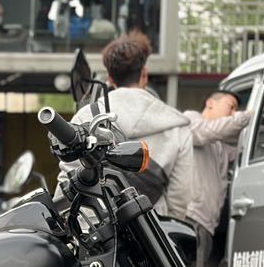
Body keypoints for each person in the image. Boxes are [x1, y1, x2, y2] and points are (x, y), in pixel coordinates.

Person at [68, 31, 194, 221]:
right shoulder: (177, 126)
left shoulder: (86, 116)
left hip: (95, 228)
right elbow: (180, 196)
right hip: (152, 228)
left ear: (110, 78)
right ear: (144, 73)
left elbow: (69, 178)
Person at [178, 91, 253, 267]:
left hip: (206, 225)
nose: (234, 113)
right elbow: (210, 131)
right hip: (192, 221)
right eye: (230, 106)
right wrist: (249, 115)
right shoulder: (191, 121)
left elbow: (238, 149)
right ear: (210, 102)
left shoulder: (220, 143)